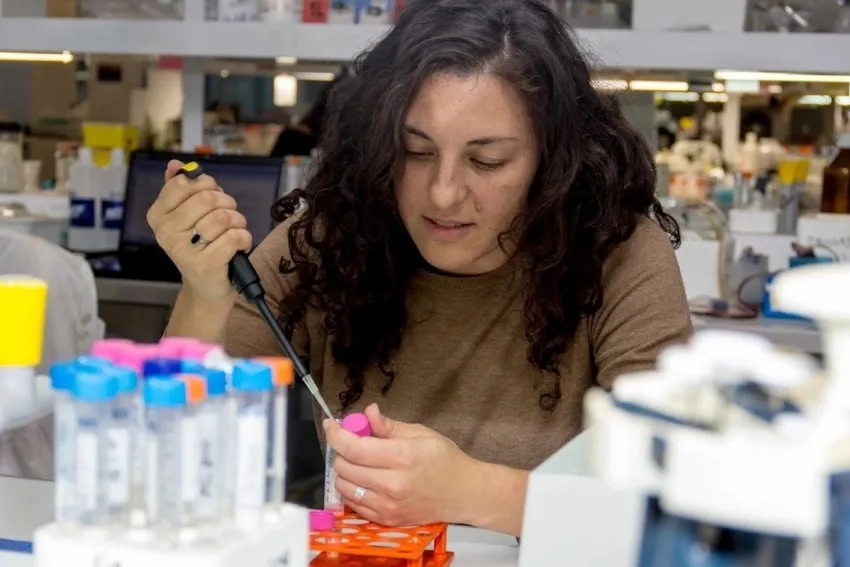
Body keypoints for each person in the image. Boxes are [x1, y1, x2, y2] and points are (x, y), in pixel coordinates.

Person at [147, 0, 692, 538]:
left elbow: (673, 504)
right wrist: (203, 293)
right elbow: (168, 456)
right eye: (416, 151)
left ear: (553, 161)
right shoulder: (331, 238)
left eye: (487, 161)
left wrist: (472, 490)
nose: (443, 193)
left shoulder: (618, 254)